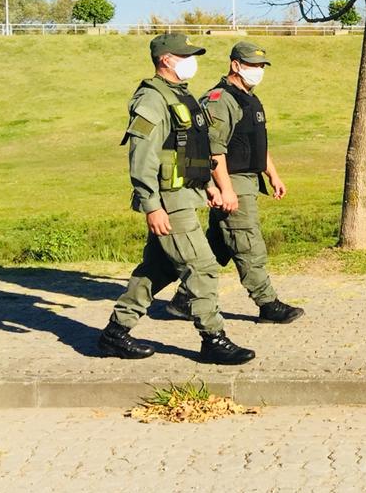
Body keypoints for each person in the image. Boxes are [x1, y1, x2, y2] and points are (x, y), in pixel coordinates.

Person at [98, 33, 255, 364]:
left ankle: (115, 333)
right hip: (168, 201)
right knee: (202, 267)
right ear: (165, 60)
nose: (191, 61)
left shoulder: (179, 96)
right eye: (185, 55)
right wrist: (151, 206)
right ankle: (213, 339)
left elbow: (188, 149)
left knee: (158, 269)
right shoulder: (152, 100)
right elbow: (142, 158)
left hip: (186, 194)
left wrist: (208, 186)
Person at [168, 41, 304, 325]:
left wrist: (272, 174)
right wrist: (224, 188)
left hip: (248, 180)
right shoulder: (220, 100)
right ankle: (267, 304)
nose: (258, 71)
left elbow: (257, 143)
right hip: (233, 182)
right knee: (247, 242)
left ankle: (185, 300)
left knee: (220, 244)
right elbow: (213, 150)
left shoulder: (249, 98)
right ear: (235, 65)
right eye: (252, 65)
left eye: (261, 66)